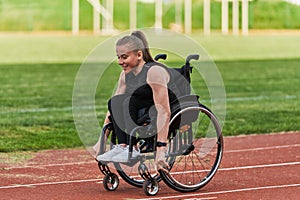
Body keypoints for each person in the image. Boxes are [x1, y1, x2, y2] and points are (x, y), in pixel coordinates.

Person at [96, 30, 180, 172]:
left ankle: (133, 147)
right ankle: (124, 146)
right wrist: (101, 141)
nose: (119, 62)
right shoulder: (125, 75)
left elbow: (164, 112)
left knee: (128, 102)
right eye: (118, 57)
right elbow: (113, 109)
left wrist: (161, 149)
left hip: (167, 109)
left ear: (139, 55)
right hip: (145, 107)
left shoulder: (154, 72)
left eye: (124, 57)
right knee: (115, 101)